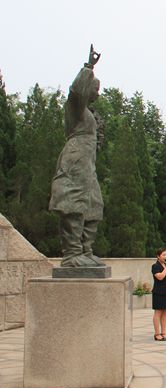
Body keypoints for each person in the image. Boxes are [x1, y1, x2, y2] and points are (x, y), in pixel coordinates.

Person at [49, 45, 105, 267]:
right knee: (73, 202)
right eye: (95, 88)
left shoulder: (89, 113)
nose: (98, 93)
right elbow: (76, 92)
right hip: (75, 160)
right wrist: (88, 67)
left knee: (94, 205)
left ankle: (85, 250)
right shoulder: (75, 108)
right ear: (87, 87)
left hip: (88, 164)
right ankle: (72, 253)